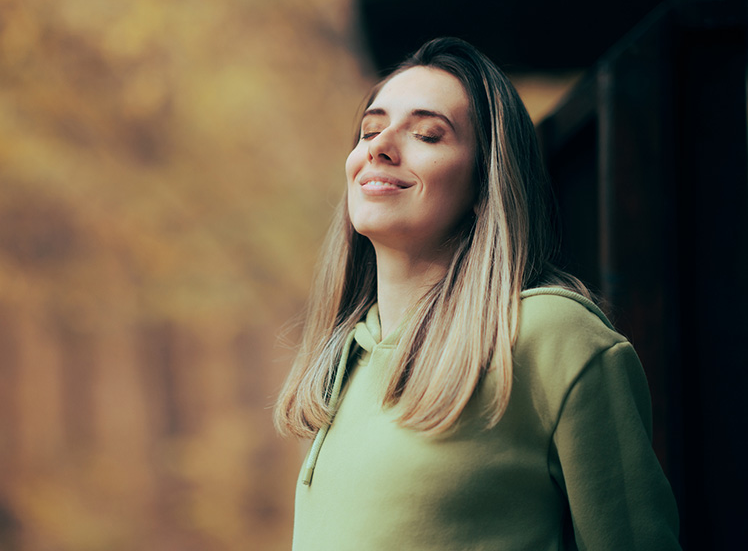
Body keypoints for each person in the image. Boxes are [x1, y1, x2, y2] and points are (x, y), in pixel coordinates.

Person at [274, 37, 680, 550]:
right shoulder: (347, 359)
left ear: (485, 183)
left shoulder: (550, 336)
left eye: (427, 134)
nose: (378, 146)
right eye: (370, 129)